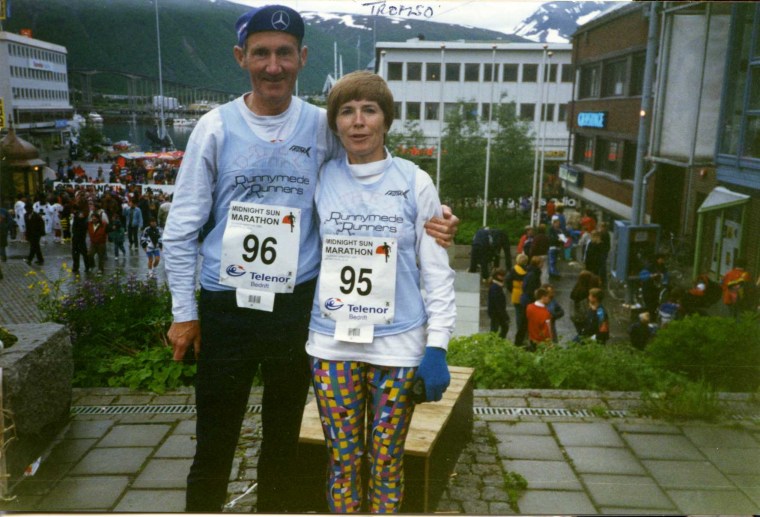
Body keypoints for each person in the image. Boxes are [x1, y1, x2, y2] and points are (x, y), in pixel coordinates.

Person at [162, 6, 458, 512]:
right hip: (226, 303)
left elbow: (369, 177)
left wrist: (431, 217)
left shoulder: (323, 125)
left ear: (301, 58)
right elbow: (181, 228)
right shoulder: (214, 128)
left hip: (295, 304)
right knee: (214, 439)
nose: (272, 66)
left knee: (284, 440)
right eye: (260, 54)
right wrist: (183, 313)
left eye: (283, 54)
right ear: (241, 58)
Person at [307, 71, 456, 512]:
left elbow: (436, 271)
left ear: (386, 120)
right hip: (332, 344)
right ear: (335, 123)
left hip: (398, 346)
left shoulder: (415, 181)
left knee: (387, 461)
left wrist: (438, 346)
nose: (358, 122)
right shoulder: (321, 179)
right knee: (343, 460)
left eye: (369, 110)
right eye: (347, 112)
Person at [515, 255, 543, 347]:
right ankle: (521, 342)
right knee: (525, 323)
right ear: (538, 264)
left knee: (524, 322)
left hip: (526, 300)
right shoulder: (534, 274)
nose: (542, 264)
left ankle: (520, 341)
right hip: (529, 301)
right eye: (541, 263)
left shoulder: (531, 272)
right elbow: (531, 289)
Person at [570, 270, 602, 334]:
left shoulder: (576, 290)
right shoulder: (586, 295)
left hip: (576, 317)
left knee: (580, 334)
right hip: (583, 319)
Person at [505, 253, 528, 341]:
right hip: (525, 294)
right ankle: (525, 329)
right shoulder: (527, 271)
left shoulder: (513, 270)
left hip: (516, 294)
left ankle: (519, 329)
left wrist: (513, 290)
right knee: (525, 313)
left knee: (518, 313)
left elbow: (508, 282)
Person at [525, 285, 553, 350]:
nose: (550, 299)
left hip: (531, 339)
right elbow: (547, 330)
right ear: (543, 297)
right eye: (549, 297)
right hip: (541, 342)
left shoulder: (529, 307)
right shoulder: (545, 313)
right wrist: (550, 344)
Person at [487, 268, 509, 338]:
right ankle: (495, 343)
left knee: (498, 329)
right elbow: (497, 303)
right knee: (496, 330)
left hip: (496, 312)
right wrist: (504, 314)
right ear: (497, 276)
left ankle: (497, 342)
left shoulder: (496, 286)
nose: (503, 277)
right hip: (496, 312)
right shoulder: (496, 287)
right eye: (502, 275)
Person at [71, 204, 91, 274]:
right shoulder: (78, 215)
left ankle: (85, 267)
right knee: (78, 253)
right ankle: (78, 267)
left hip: (79, 237)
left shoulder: (79, 215)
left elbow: (82, 226)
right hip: (78, 237)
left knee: (81, 253)